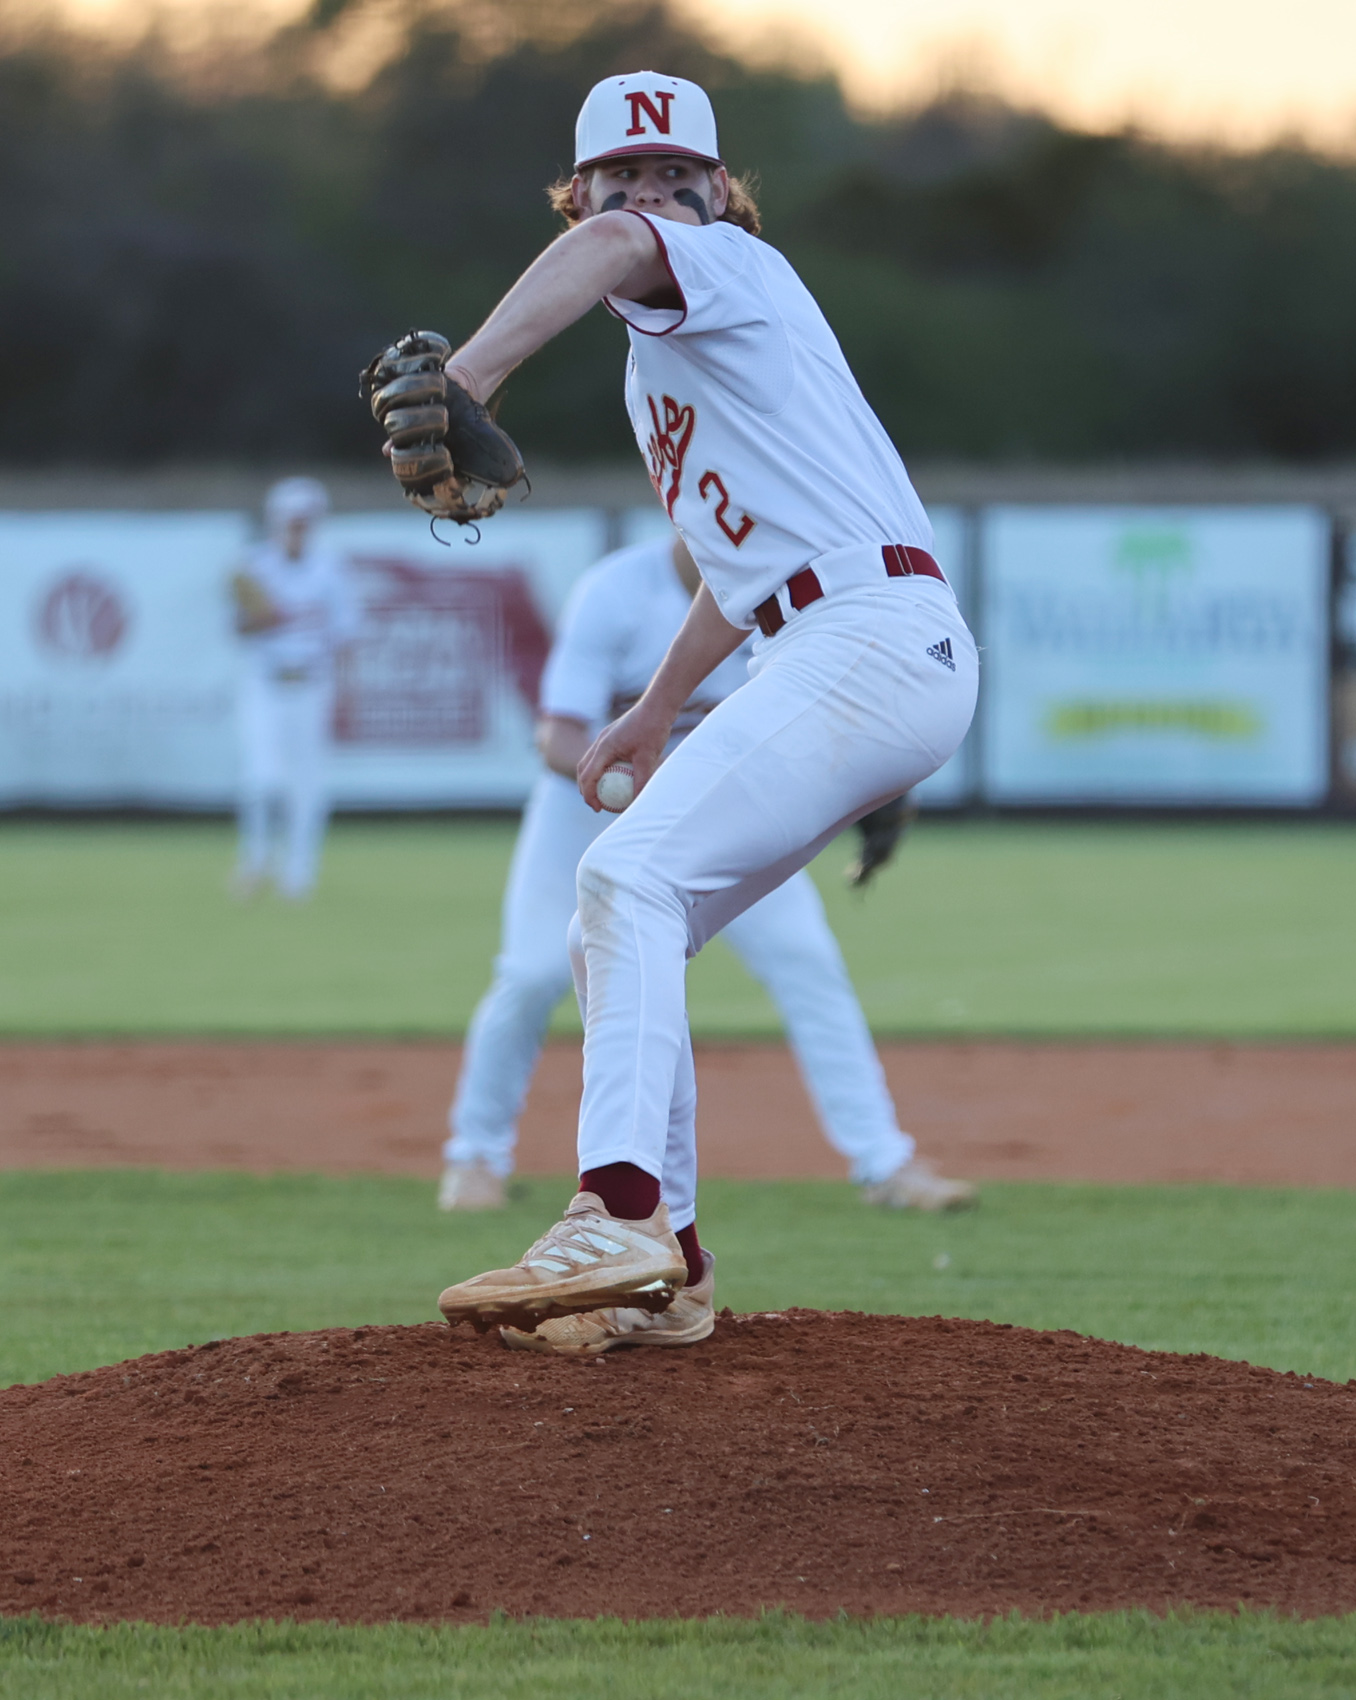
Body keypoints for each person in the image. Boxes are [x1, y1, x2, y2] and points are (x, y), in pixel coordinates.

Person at [434, 71, 978, 1355]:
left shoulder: (729, 266)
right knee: (619, 922)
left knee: (624, 876)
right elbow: (740, 574)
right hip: (822, 636)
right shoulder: (659, 373)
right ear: (574, 195)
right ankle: (667, 1268)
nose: (652, 194)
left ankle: (615, 1209)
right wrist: (657, 706)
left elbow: (617, 251)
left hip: (869, 629)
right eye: (621, 178)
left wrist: (467, 378)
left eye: (678, 174)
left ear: (722, 192)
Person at [440, 529, 975, 1215]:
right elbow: (558, 736)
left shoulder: (779, 594)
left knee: (806, 960)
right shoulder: (615, 591)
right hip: (589, 809)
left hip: (721, 808)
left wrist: (875, 792)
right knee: (532, 973)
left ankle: (885, 1163)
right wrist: (647, 786)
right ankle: (475, 1156)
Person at [229, 477, 361, 900]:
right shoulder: (256, 565)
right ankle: (256, 859)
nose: (297, 528)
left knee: (307, 785)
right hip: (266, 682)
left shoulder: (331, 569)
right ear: (276, 521)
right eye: (291, 520)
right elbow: (237, 628)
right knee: (261, 776)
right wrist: (260, 618)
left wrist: (347, 693)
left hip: (312, 684)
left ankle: (298, 872)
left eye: (305, 521)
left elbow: (345, 637)